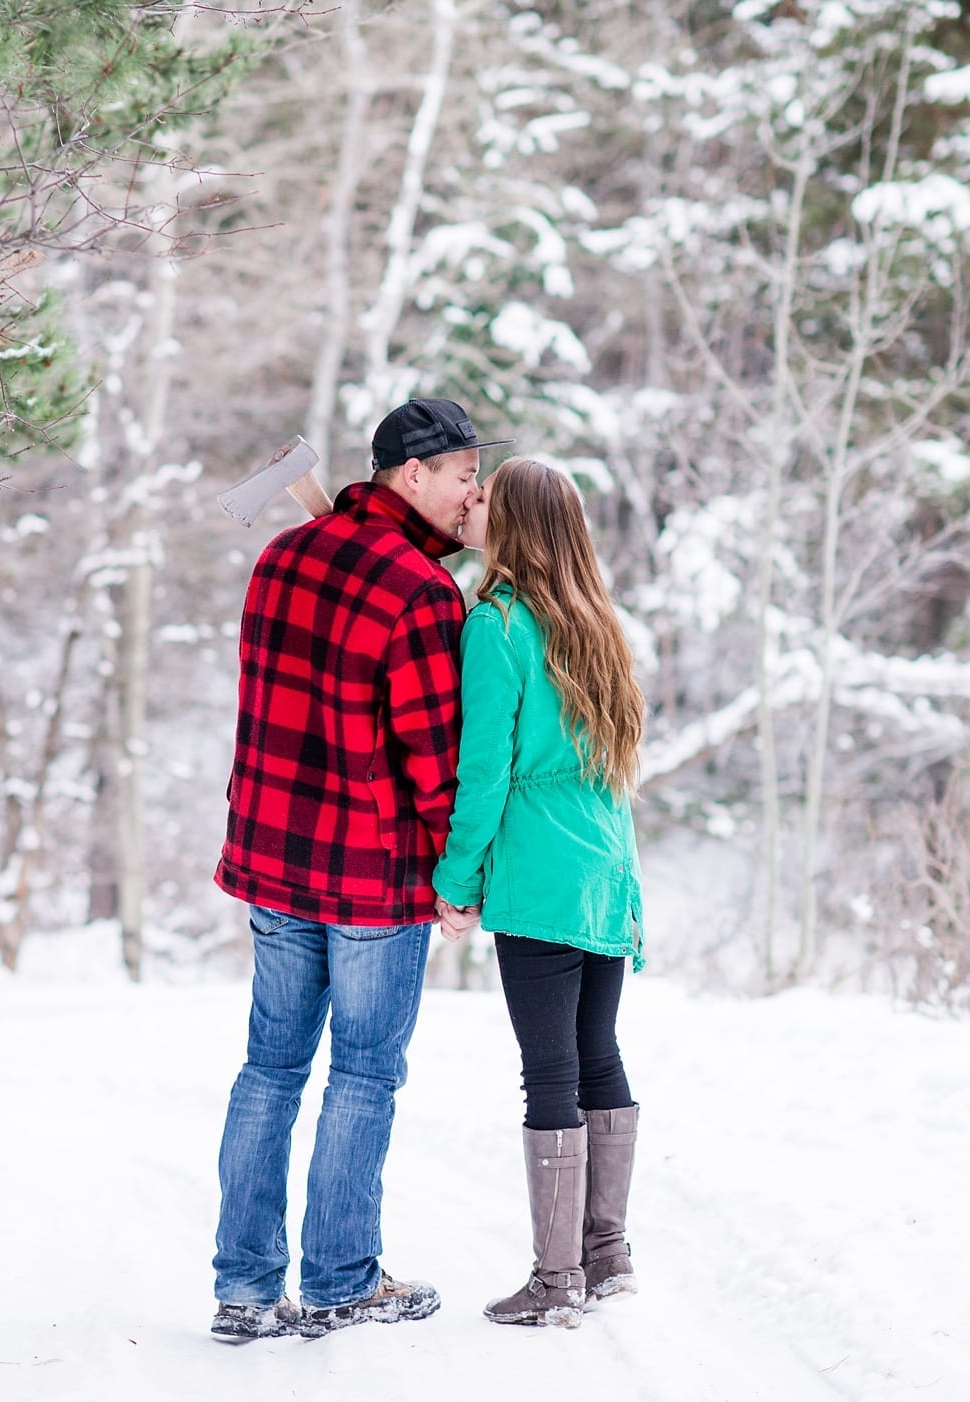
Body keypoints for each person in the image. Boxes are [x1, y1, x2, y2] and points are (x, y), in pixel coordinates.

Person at [209, 398, 511, 1342]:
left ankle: (246, 1290)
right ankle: (341, 1279)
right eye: (465, 474)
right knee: (364, 1076)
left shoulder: (283, 557)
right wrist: (461, 879)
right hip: (370, 878)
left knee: (270, 1070)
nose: (474, 493)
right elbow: (434, 762)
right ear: (410, 476)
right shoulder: (419, 597)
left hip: (271, 856)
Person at [431, 456, 646, 1330]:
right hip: (607, 869)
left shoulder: (499, 625)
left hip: (540, 874)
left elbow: (483, 772)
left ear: (512, 523)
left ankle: (555, 1281)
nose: (469, 507)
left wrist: (457, 881)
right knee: (597, 1050)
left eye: (482, 499)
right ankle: (607, 1256)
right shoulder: (599, 622)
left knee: (550, 1068)